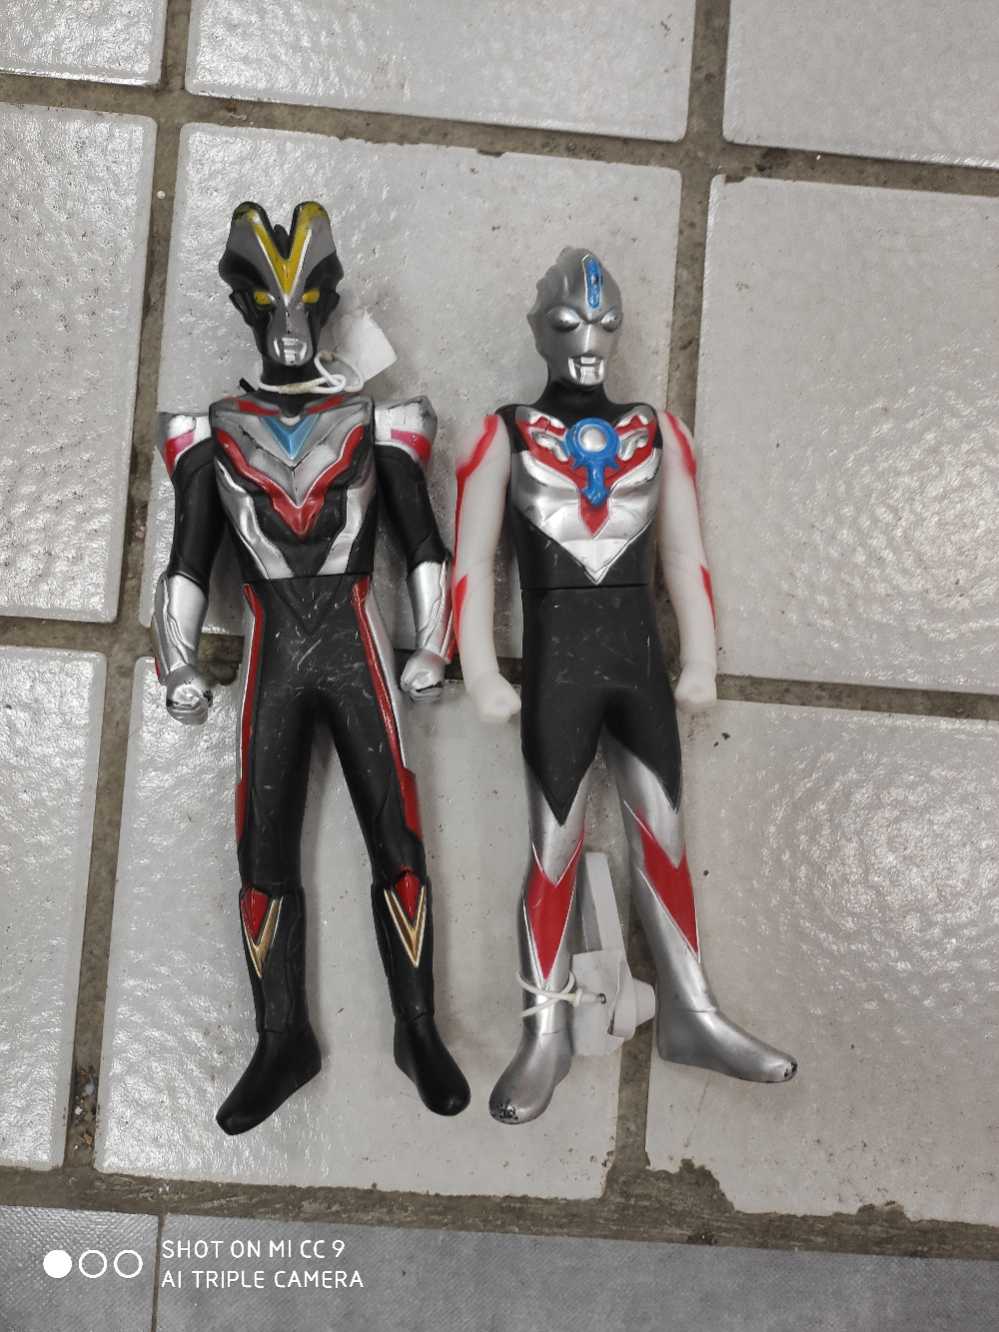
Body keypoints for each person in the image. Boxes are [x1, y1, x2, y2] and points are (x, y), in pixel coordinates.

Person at [453, 248, 796, 1124]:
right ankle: (544, 1029)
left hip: (638, 663)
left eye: (604, 324)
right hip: (558, 668)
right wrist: (481, 669)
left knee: (667, 840)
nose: (588, 341)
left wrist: (701, 659)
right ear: (539, 330)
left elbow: (684, 555)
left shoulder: (659, 431)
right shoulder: (503, 434)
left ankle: (691, 1011)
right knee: (552, 846)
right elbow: (472, 565)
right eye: (568, 323)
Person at [153, 201, 469, 1134]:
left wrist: (435, 643)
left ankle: (417, 1026)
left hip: (353, 641)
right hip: (276, 650)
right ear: (247, 309)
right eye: (270, 306)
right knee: (262, 846)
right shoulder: (210, 431)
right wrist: (175, 661)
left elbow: (423, 543)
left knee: (395, 835)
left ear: (324, 306)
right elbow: (186, 561)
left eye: (302, 304)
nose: (289, 326)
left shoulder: (376, 420)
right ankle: (280, 1037)